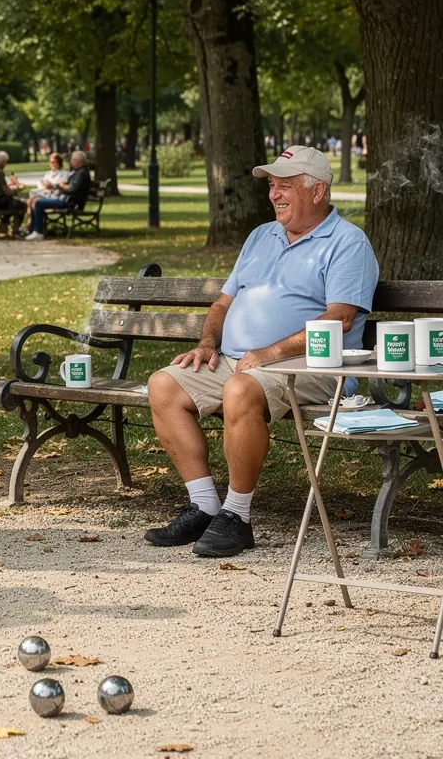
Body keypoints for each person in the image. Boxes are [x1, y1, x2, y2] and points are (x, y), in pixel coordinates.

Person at [144, 146, 378, 558]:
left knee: (240, 390)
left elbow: (339, 319)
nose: (274, 194)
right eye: (272, 185)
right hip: (241, 361)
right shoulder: (260, 236)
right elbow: (222, 304)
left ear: (318, 190)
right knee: (163, 384)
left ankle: (238, 516)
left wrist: (269, 353)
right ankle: (204, 505)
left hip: (311, 366)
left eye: (285, 185)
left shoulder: (347, 242)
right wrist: (206, 343)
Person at [23, 150, 91, 241]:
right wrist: (59, 185)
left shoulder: (81, 173)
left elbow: (72, 188)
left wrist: (62, 186)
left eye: (73, 160)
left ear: (79, 162)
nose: (71, 162)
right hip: (66, 199)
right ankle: (34, 229)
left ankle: (38, 231)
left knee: (38, 203)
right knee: (36, 201)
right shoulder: (79, 172)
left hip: (69, 202)